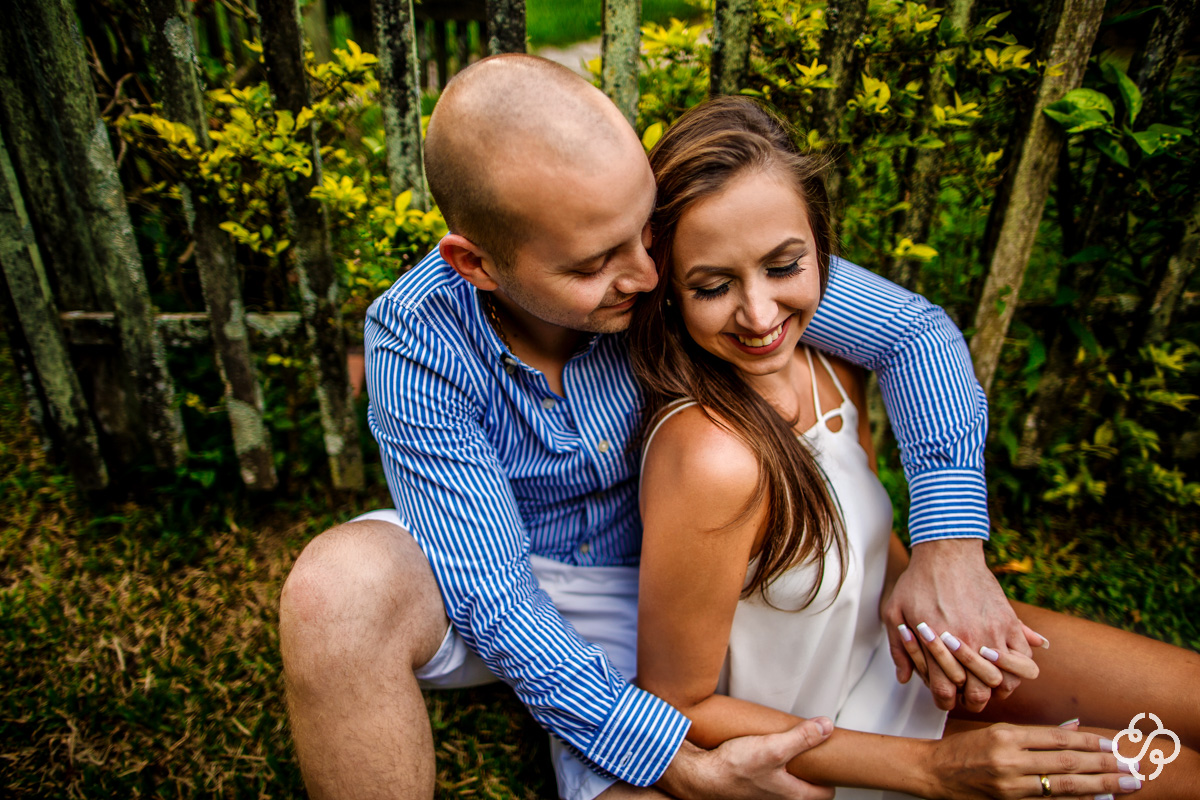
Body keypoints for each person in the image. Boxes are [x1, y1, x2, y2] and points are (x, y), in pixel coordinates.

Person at [281, 54, 1043, 800]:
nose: (649, 278)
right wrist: (670, 755)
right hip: (489, 568)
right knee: (335, 591)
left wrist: (948, 542)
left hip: (651, 587)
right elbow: (495, 595)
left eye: (643, 234)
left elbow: (910, 334)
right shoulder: (415, 336)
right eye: (594, 265)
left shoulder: (674, 256)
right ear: (476, 264)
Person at [628, 94, 1200, 800]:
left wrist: (934, 610)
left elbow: (863, 550)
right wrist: (936, 771)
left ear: (822, 250)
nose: (760, 315)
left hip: (899, 657)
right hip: (835, 741)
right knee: (1171, 778)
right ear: (671, 294)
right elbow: (678, 707)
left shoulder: (831, 366)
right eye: (713, 286)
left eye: (784, 267)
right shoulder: (711, 457)